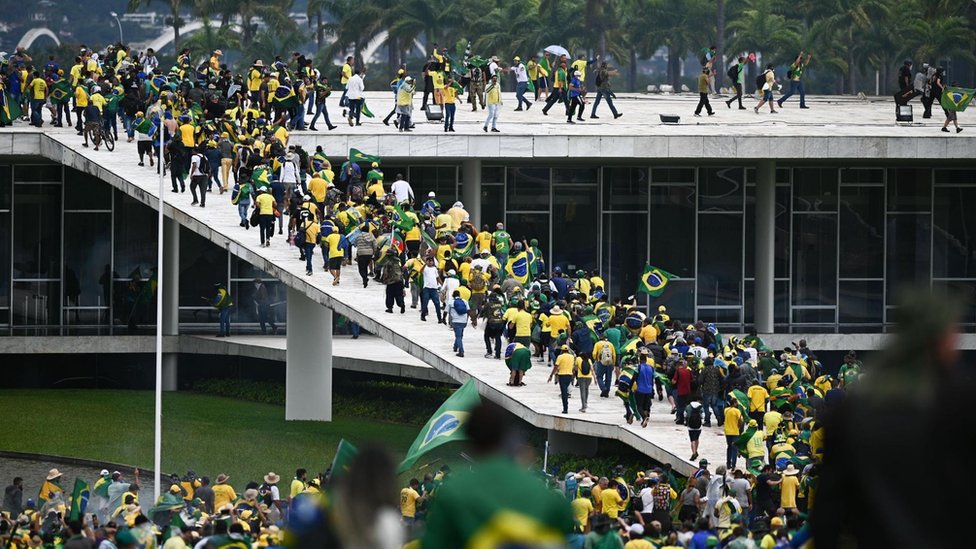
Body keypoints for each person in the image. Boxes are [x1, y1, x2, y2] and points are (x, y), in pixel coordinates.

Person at [549, 345, 576, 414]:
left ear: (562, 350)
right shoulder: (572, 357)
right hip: (569, 375)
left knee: (564, 392)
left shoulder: (560, 357)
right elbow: (574, 366)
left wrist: (551, 375)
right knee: (566, 390)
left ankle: (565, 408)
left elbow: (556, 366)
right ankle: (566, 405)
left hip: (562, 375)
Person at [420, 256, 442, 322]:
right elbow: (421, 271)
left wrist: (442, 284)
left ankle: (439, 318)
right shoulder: (425, 268)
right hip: (427, 288)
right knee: (425, 303)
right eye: (428, 261)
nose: (430, 262)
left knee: (437, 303)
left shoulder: (434, 269)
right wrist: (425, 264)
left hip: (434, 288)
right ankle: (423, 315)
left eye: (431, 261)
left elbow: (437, 277)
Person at [723, 399, 744, 469]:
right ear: (734, 403)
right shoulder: (737, 411)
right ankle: (733, 464)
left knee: (729, 447)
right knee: (734, 448)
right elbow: (741, 420)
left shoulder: (726, 410)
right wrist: (739, 427)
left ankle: (728, 463)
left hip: (727, 431)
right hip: (735, 431)